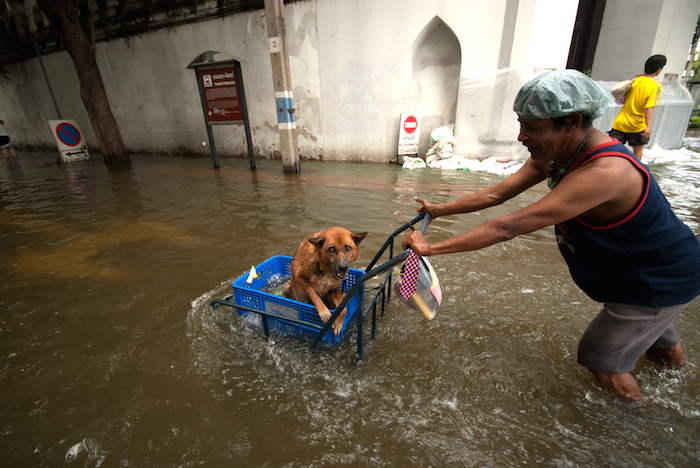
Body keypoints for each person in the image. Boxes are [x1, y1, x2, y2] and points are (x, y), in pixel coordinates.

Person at [402, 69, 700, 401]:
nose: (521, 136)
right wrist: (440, 209)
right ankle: (682, 389)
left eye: (532, 128)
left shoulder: (606, 171)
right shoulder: (560, 155)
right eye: (521, 124)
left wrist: (431, 249)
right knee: (659, 346)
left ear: (571, 122)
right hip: (633, 271)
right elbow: (496, 194)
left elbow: (508, 226)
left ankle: (641, 429)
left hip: (657, 277)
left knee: (601, 357)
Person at [608, 54, 666, 160]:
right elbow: (649, 107)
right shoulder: (655, 85)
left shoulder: (634, 80)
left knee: (612, 152)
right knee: (637, 153)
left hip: (620, 123)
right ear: (659, 69)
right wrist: (648, 126)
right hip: (637, 126)